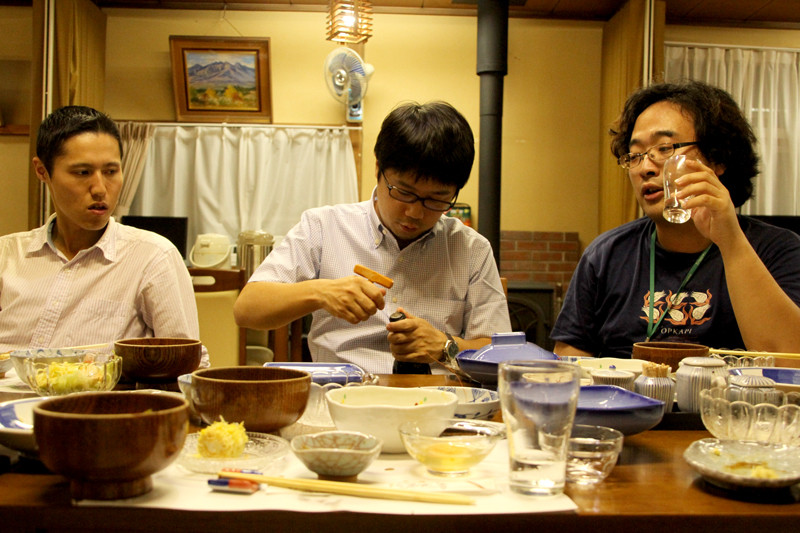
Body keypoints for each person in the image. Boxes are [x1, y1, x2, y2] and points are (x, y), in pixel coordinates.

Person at [234, 101, 511, 374]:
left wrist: (446, 346)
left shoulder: (471, 249)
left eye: (437, 199)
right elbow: (247, 309)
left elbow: (500, 355)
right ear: (378, 168)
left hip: (438, 396)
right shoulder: (324, 226)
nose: (415, 213)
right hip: (342, 393)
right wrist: (320, 292)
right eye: (404, 192)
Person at [551, 80, 800, 359]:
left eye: (665, 148)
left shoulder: (777, 249)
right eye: (635, 155)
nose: (646, 167)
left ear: (717, 159)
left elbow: (790, 360)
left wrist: (730, 240)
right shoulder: (606, 254)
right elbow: (570, 353)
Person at [0, 105, 208, 367]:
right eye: (82, 173)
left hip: (101, 394)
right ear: (42, 171)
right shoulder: (7, 255)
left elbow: (185, 365)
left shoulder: (152, 257)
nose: (100, 189)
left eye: (110, 171)